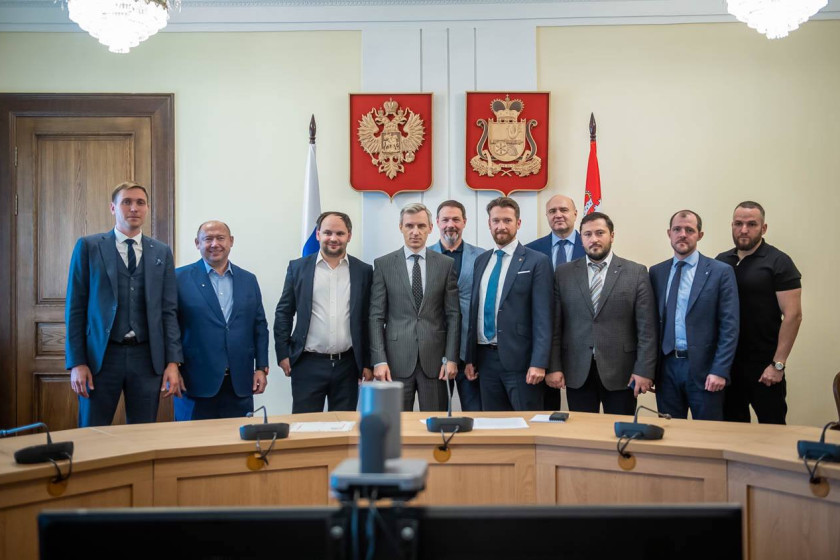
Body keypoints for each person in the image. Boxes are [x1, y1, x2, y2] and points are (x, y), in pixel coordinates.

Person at [65, 181, 183, 426]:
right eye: (126, 202)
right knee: (93, 431)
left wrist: (173, 362)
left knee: (142, 434)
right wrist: (77, 362)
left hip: (146, 358)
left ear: (147, 208)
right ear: (113, 208)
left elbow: (168, 312)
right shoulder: (88, 247)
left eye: (140, 202)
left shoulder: (161, 252)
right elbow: (75, 309)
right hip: (101, 358)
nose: (134, 208)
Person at [547, 212, 658, 415]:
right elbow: (555, 326)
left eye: (600, 233)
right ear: (581, 238)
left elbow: (647, 329)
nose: (594, 239)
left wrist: (644, 370)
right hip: (577, 370)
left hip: (622, 373)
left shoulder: (636, 272)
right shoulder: (564, 273)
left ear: (612, 235)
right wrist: (554, 366)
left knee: (620, 430)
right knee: (583, 431)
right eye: (587, 234)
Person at [275, 212, 373, 413]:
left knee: (344, 425)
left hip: (348, 365)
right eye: (328, 232)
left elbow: (368, 319)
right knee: (305, 426)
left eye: (340, 233)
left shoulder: (363, 271)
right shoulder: (298, 268)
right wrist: (283, 353)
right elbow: (284, 312)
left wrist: (368, 362)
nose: (333, 238)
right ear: (318, 234)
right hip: (307, 364)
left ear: (349, 236)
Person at [716, 201, 802, 424]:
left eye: (751, 224)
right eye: (738, 223)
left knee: (773, 431)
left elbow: (793, 316)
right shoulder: (721, 261)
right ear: (732, 226)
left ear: (763, 228)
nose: (744, 230)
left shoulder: (779, 262)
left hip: (765, 366)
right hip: (728, 365)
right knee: (731, 432)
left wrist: (778, 364)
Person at [174, 221, 269, 420]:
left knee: (237, 438)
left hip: (239, 382)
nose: (214, 244)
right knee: (194, 439)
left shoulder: (248, 280)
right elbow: (170, 328)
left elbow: (259, 326)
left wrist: (261, 367)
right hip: (195, 382)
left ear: (231, 241)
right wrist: (173, 366)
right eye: (208, 239)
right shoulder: (179, 278)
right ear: (197, 243)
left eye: (220, 238)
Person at [649, 210, 739, 421]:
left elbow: (730, 326)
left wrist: (720, 370)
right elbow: (650, 324)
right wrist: (649, 370)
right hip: (667, 369)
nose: (682, 234)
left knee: (707, 434)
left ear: (700, 235)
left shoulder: (720, 271)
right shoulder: (656, 272)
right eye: (677, 229)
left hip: (705, 369)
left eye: (689, 230)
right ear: (669, 233)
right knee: (670, 432)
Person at [465, 197, 553, 411]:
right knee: (494, 425)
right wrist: (470, 358)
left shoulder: (537, 261)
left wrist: (539, 362)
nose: (501, 226)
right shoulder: (481, 260)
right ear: (489, 224)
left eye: (507, 220)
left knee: (528, 423)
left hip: (522, 361)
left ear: (518, 223)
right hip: (485, 360)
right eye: (496, 221)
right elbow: (474, 310)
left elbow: (543, 316)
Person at [369, 202, 459, 411]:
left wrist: (451, 358)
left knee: (435, 423)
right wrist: (379, 360)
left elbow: (453, 315)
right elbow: (376, 317)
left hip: (436, 362)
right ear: (400, 227)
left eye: (421, 226)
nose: (415, 232)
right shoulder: (384, 264)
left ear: (430, 228)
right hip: (395, 362)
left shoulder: (445, 264)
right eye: (409, 226)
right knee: (395, 424)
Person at [526, 193, 586, 410]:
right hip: (542, 339)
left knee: (583, 409)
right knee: (547, 409)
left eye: (564, 210)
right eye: (552, 211)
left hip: (582, 338)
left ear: (575, 214)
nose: (558, 215)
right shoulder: (531, 250)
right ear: (547, 216)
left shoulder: (591, 245)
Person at [428, 200, 484, 411]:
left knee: (476, 414)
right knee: (438, 413)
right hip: (435, 351)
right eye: (445, 220)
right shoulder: (424, 257)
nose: (450, 224)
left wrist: (474, 354)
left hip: (471, 353)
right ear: (437, 223)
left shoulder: (482, 257)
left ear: (464, 222)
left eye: (456, 219)